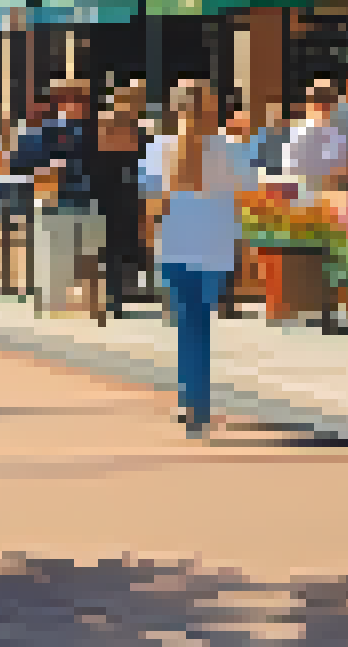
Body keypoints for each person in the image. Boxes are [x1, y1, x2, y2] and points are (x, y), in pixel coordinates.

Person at [142, 78, 256, 438]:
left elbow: (152, 202)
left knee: (187, 323)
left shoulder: (161, 147)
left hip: (176, 243)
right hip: (216, 244)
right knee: (200, 323)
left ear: (174, 109)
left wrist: (149, 238)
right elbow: (248, 196)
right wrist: (246, 244)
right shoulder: (230, 149)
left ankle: (191, 401)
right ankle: (196, 402)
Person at [11, 78, 102, 315]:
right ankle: (52, 305)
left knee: (88, 259)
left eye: (78, 99)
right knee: (53, 260)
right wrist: (46, 168)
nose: (72, 104)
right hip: (54, 199)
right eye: (67, 98)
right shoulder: (46, 130)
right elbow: (20, 161)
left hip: (87, 199)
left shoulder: (95, 131)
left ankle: (89, 306)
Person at [92, 79, 151, 320]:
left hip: (132, 191)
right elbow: (104, 156)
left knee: (128, 244)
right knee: (113, 246)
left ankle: (122, 293)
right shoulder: (108, 123)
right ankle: (114, 298)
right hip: (111, 191)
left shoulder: (140, 128)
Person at [282, 83, 348, 194]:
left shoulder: (337, 132)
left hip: (326, 189)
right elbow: (291, 168)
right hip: (303, 189)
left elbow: (342, 166)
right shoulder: (299, 130)